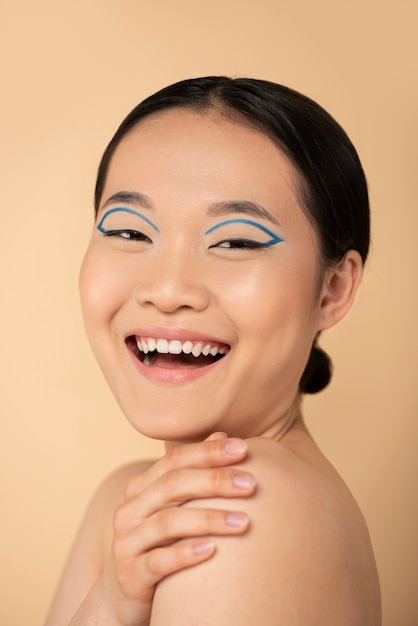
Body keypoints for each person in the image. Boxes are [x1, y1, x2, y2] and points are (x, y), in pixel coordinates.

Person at [45, 76, 381, 625]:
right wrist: (109, 604)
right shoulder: (129, 502)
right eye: (129, 232)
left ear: (333, 289)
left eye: (236, 241)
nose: (168, 289)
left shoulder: (239, 505)